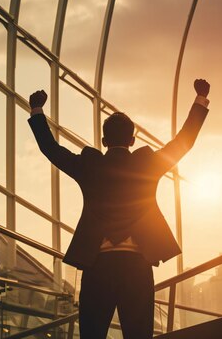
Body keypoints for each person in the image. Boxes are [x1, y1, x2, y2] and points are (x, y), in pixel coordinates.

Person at [27, 79, 210, 338]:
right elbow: (184, 142)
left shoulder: (89, 166)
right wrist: (200, 99)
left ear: (103, 140)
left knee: (92, 334)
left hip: (97, 265)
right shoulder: (148, 164)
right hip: (137, 266)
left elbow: (51, 149)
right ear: (133, 140)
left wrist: (37, 110)